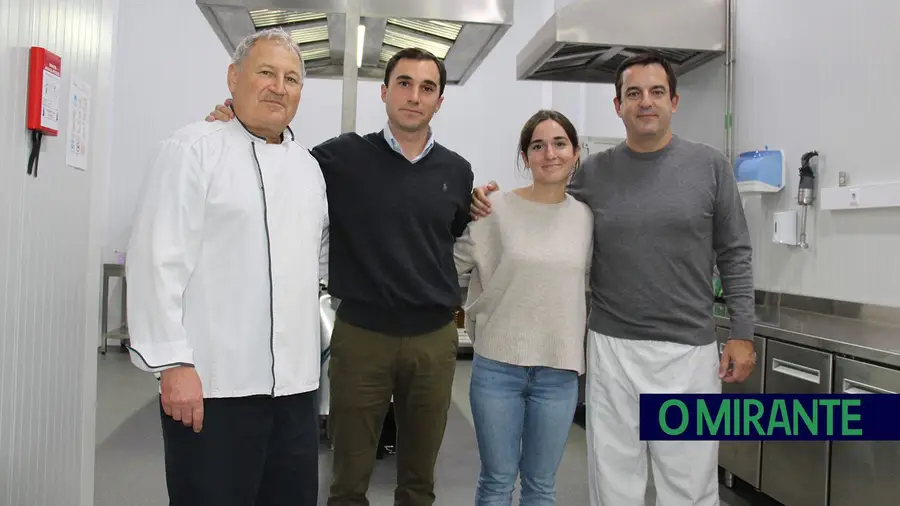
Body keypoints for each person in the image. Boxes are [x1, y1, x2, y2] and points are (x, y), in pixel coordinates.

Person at [471, 51, 757, 506]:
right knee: (613, 479)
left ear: (674, 101)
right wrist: (486, 200)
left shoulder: (710, 166)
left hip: (689, 351)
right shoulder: (594, 175)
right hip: (612, 349)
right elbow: (544, 206)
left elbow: (735, 251)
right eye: (634, 93)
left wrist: (742, 332)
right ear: (617, 105)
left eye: (656, 92)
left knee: (690, 482)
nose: (646, 102)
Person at [206, 47, 474, 506]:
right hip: (362, 337)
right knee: (348, 479)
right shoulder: (340, 158)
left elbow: (449, 237)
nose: (414, 96)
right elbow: (278, 161)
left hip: (434, 340)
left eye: (427, 88)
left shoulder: (457, 170)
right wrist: (234, 126)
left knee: (419, 479)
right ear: (385, 92)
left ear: (439, 101)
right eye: (404, 84)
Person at [125, 27, 327, 506]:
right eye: (266, 73)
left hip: (296, 392)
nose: (280, 86)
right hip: (214, 388)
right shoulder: (191, 149)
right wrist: (173, 363)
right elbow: (156, 262)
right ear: (234, 78)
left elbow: (318, 260)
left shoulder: (308, 169)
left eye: (292, 78)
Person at [454, 109, 592, 506]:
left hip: (559, 371)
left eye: (559, 143)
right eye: (537, 145)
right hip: (498, 367)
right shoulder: (495, 209)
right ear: (525, 156)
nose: (549, 153)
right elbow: (451, 263)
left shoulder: (586, 218)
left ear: (576, 152)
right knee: (497, 481)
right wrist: (459, 211)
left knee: (541, 486)